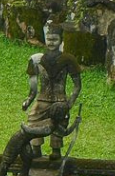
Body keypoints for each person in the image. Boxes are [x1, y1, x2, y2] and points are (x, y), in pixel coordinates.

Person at [22, 19, 81, 161]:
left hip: (60, 100)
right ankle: (36, 149)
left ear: (61, 40)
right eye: (49, 39)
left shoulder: (68, 60)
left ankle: (56, 150)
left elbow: (77, 85)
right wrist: (29, 100)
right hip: (42, 99)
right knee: (33, 120)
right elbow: (33, 85)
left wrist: (69, 103)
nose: (51, 43)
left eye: (55, 39)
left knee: (59, 125)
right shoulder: (36, 59)